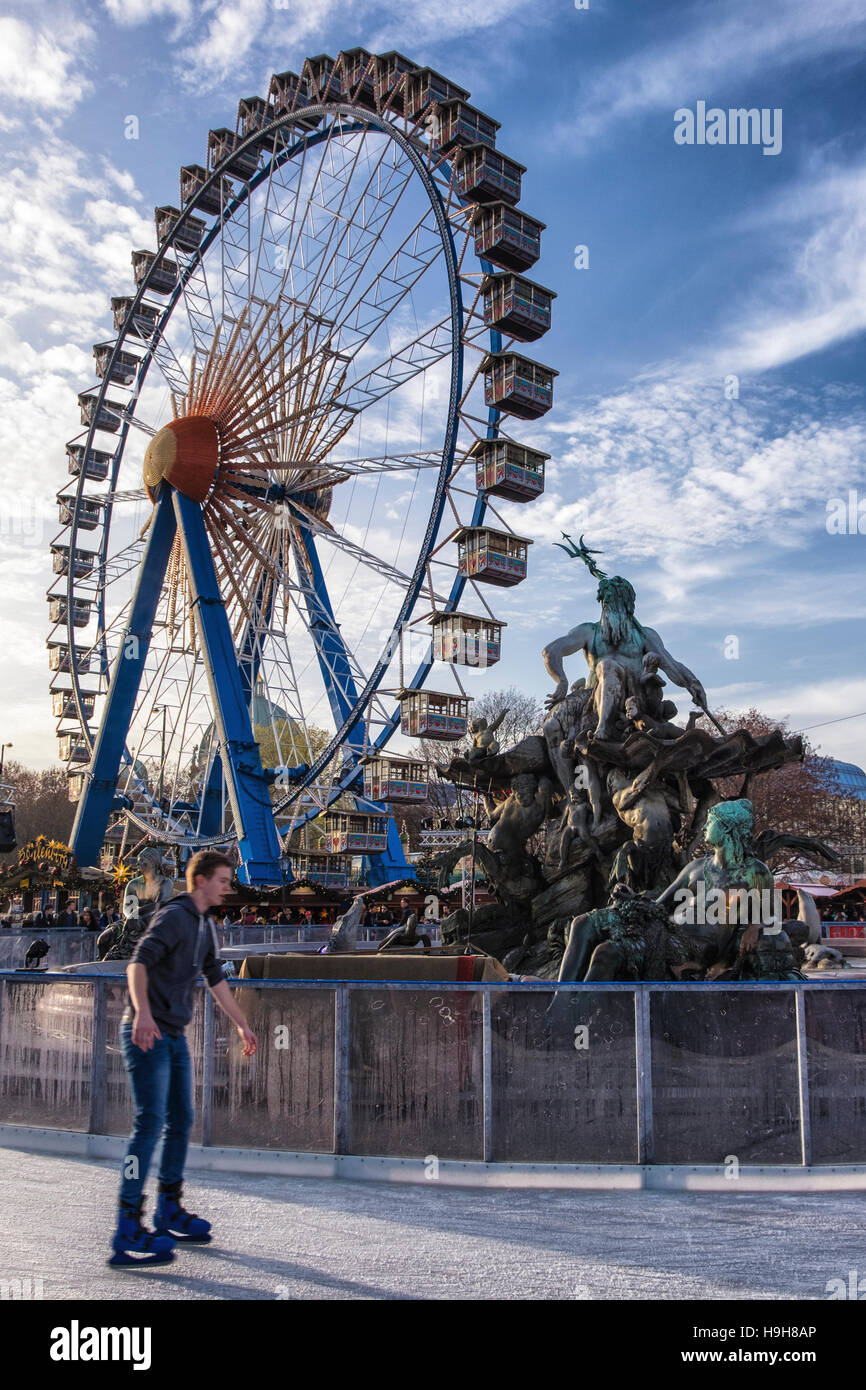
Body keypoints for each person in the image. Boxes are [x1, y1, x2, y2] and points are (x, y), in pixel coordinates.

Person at [109, 849, 258, 1267]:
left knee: (180, 1122)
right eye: (223, 881)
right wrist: (141, 1013)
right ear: (200, 881)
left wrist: (243, 1024)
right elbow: (137, 965)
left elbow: (215, 979)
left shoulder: (206, 927)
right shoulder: (175, 916)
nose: (228, 889)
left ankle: (168, 1208)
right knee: (149, 1125)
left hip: (172, 1035)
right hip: (147, 1031)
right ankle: (127, 1226)